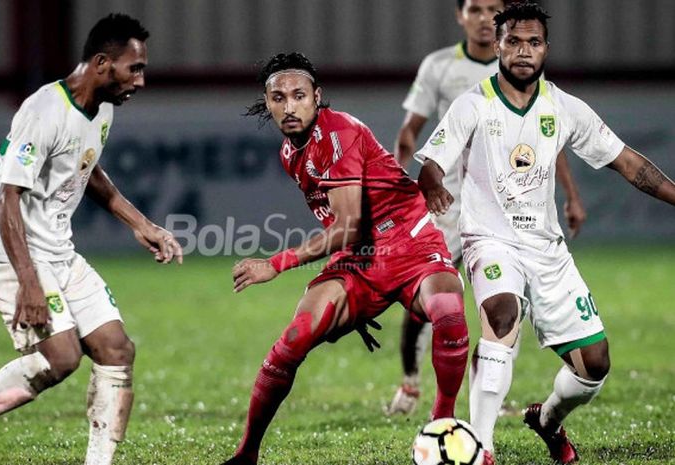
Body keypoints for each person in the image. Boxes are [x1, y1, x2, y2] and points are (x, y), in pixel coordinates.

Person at [414, 3, 675, 464]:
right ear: (498, 45)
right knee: (501, 315)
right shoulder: (473, 103)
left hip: (547, 250)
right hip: (489, 241)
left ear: (545, 50)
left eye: (533, 43)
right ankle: (481, 447)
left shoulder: (563, 107)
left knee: (595, 366)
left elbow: (628, 162)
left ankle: (547, 421)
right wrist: (432, 182)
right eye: (513, 41)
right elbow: (433, 163)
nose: (523, 51)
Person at [221, 52, 487, 465]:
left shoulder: (339, 131)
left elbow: (344, 226)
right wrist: (356, 301)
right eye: (278, 98)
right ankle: (246, 454)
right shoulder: (291, 154)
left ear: (317, 97)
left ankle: (443, 427)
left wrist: (275, 263)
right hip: (360, 259)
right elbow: (345, 233)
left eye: (298, 96)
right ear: (267, 102)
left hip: (410, 242)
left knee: (449, 311)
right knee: (291, 343)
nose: (289, 107)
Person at [0, 13, 183, 465]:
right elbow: (6, 199)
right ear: (103, 63)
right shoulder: (43, 110)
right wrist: (28, 283)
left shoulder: (102, 108)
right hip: (12, 253)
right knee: (62, 359)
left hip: (57, 250)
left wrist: (139, 222)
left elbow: (88, 170)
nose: (141, 81)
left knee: (116, 349)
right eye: (135, 68)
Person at [389, 0, 587, 416]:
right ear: (460, 16)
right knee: (427, 296)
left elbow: (550, 140)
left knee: (502, 306)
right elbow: (411, 132)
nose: (483, 17)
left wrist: (570, 194)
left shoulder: (523, 67)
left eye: (491, 8)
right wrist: (402, 181)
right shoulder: (439, 66)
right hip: (445, 203)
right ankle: (410, 383)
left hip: (500, 213)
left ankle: (485, 400)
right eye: (475, 9)